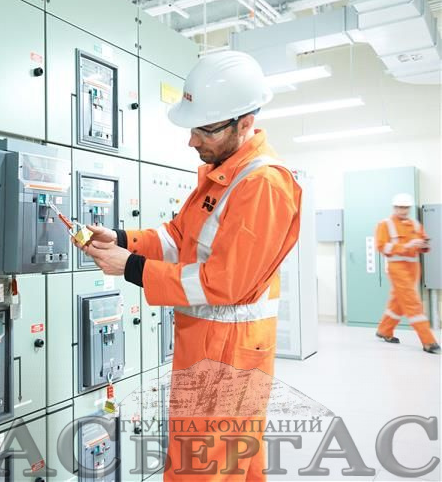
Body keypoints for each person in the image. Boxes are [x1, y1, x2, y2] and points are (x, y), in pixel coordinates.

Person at [73, 51, 302, 481]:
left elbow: (224, 283)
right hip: (209, 344)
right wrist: (121, 240)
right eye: (192, 128)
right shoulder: (224, 174)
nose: (192, 141)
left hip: (228, 353)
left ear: (245, 123)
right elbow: (179, 238)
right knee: (231, 467)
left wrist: (132, 267)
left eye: (205, 130)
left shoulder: (262, 184)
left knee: (200, 468)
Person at [375, 193, 440, 354]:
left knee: (398, 302)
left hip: (413, 268)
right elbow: (382, 246)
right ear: (394, 207)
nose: (403, 210)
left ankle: (384, 330)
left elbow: (424, 243)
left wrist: (423, 245)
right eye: (400, 207)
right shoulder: (385, 224)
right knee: (412, 302)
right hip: (397, 268)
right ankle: (428, 341)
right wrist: (406, 246)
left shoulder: (416, 225)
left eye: (405, 207)